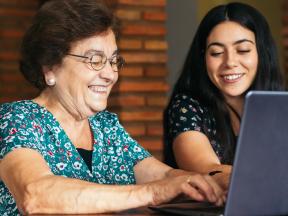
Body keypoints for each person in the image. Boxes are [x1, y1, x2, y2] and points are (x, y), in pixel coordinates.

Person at [0, 0, 225, 215]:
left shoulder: (106, 126)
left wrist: (216, 182)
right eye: (95, 60)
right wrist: (152, 193)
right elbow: (35, 194)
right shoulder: (16, 120)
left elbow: (164, 176)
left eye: (113, 61)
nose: (109, 74)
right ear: (49, 68)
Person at [163, 2, 284, 191]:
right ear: (203, 58)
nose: (230, 62)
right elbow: (206, 170)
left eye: (243, 50)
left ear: (262, 53)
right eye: (217, 53)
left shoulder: (277, 105)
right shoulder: (186, 107)